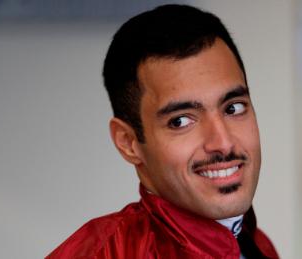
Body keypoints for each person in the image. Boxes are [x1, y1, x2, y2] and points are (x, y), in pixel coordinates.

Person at [47, 4, 279, 259]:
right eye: (180, 121)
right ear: (128, 142)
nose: (223, 143)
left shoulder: (256, 245)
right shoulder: (102, 254)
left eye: (233, 108)